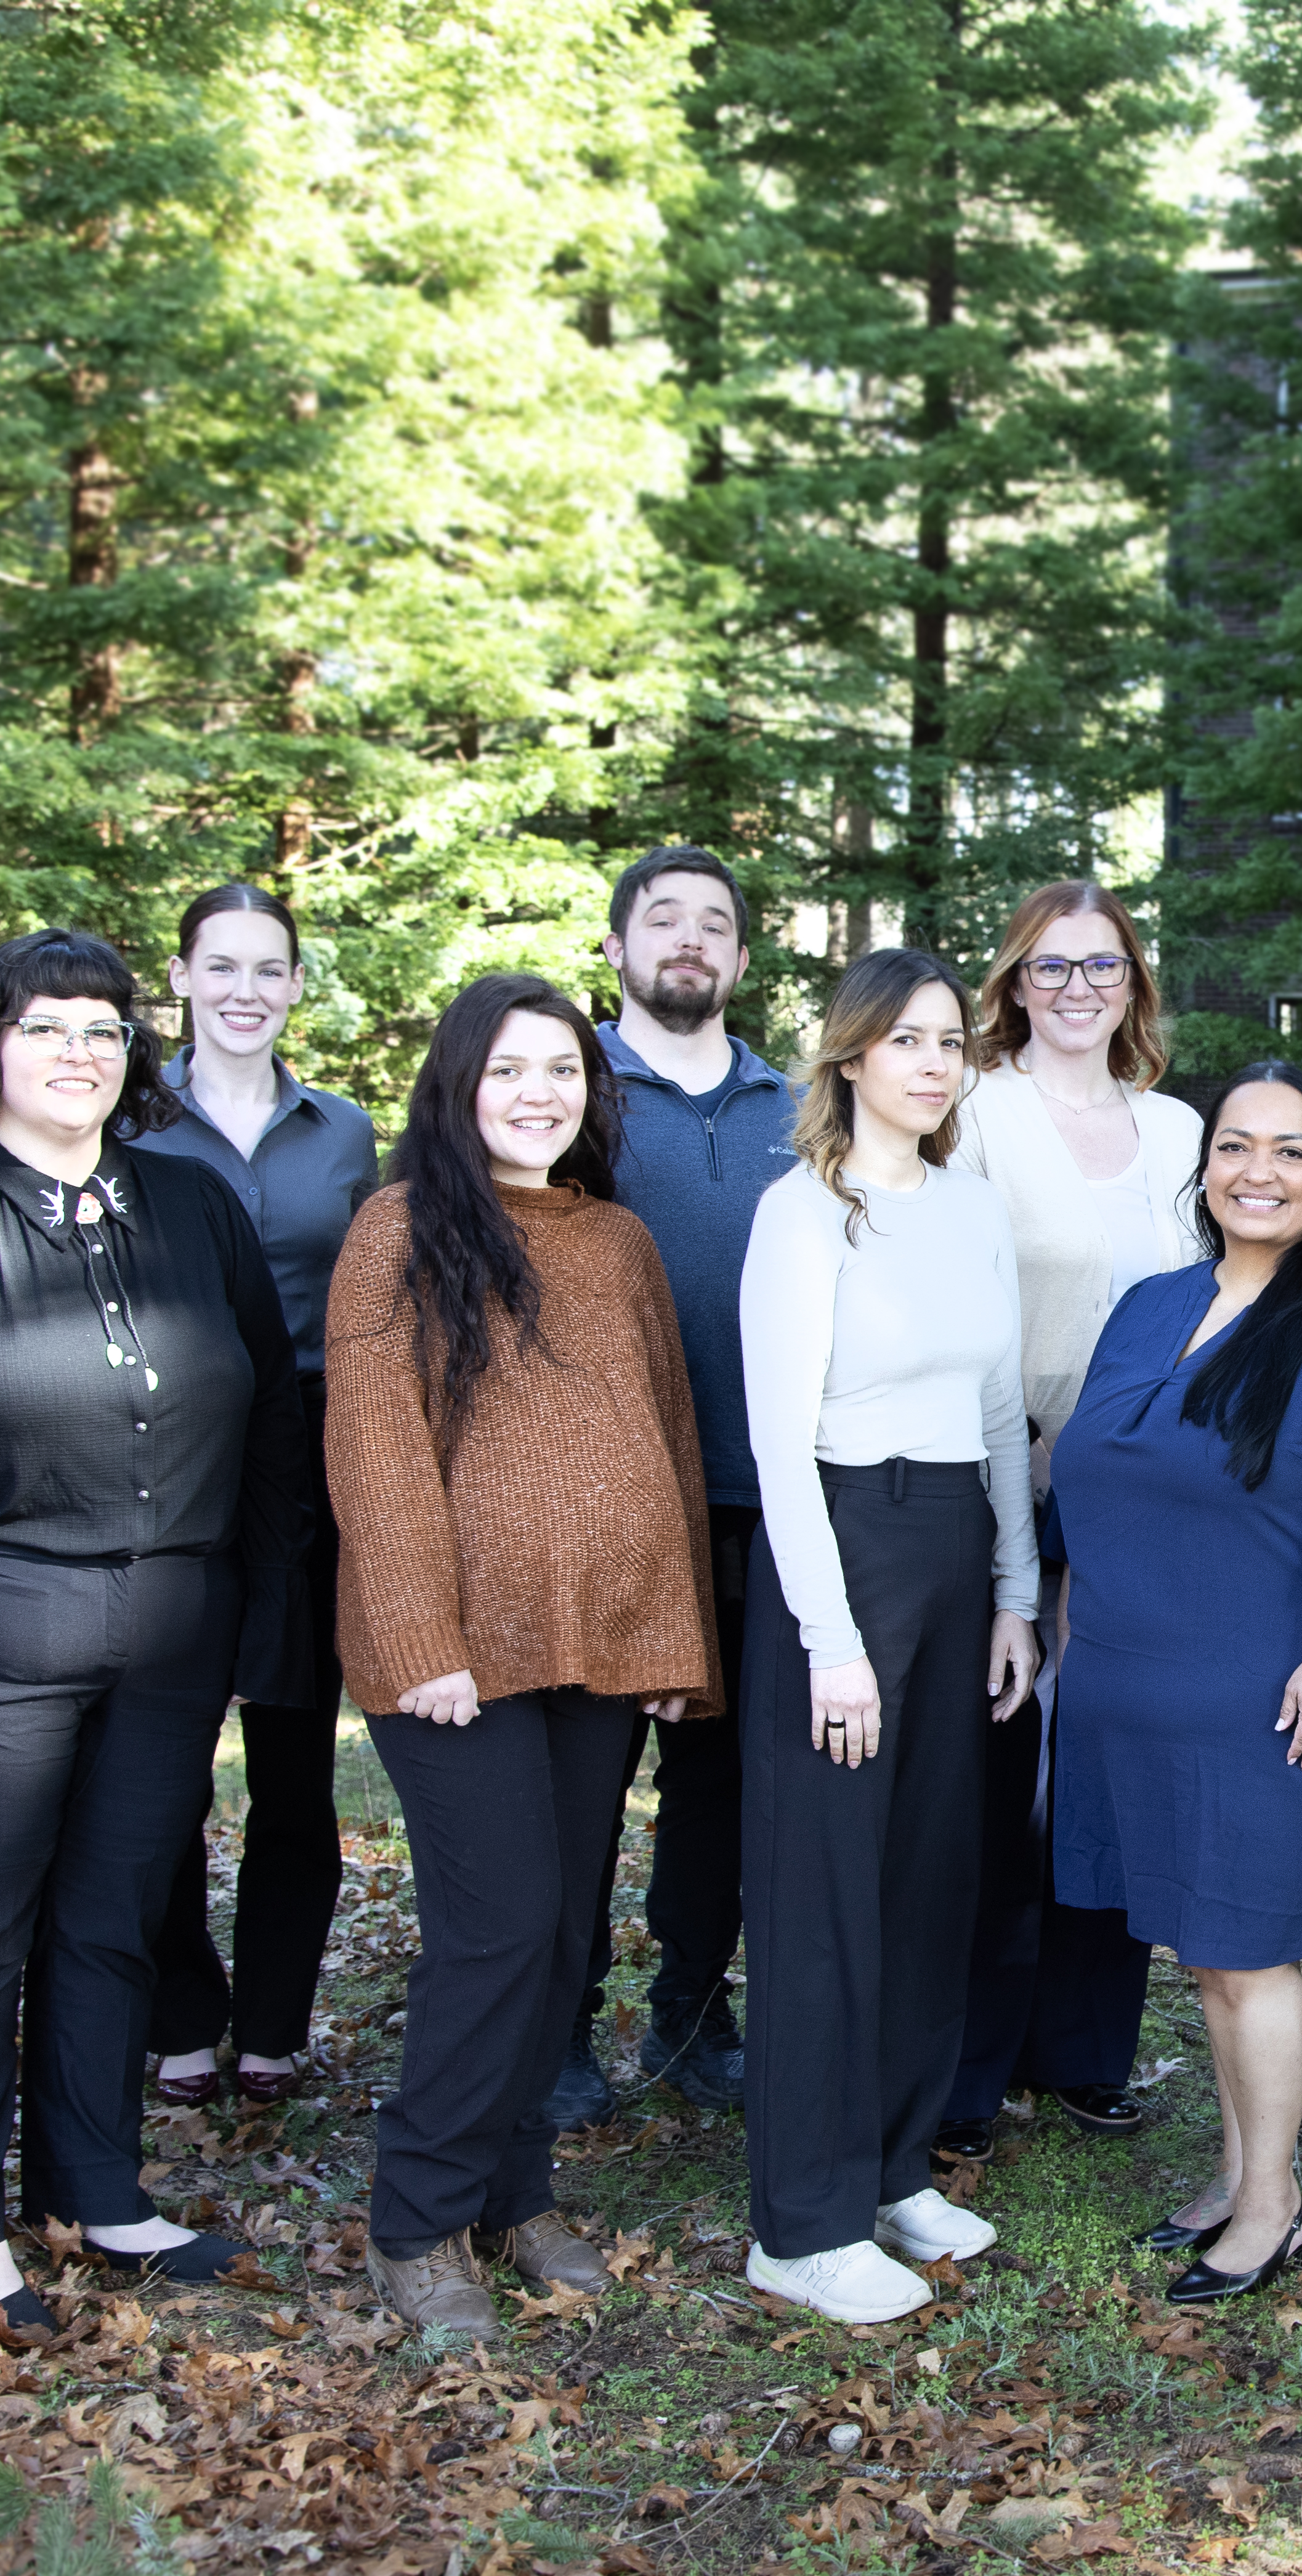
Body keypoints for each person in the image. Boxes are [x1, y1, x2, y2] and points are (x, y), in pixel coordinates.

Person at [0, 927, 314, 2330]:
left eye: (102, 1028)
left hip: (173, 1631)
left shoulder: (193, 1208)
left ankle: (98, 2188)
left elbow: (270, 1407)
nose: (78, 1052)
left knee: (114, 1920)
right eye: (47, 1028)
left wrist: (265, 1603)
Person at [326, 976, 724, 2338]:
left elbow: (666, 1440)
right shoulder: (400, 1229)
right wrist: (423, 1636)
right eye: (509, 1070)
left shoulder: (617, 1242)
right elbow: (375, 1449)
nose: (539, 1092)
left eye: (563, 1069)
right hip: (455, 1660)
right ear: (458, 1085)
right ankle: (416, 2216)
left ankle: (513, 2188)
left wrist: (678, 1636)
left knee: (560, 1938)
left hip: (600, 1645)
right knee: (493, 1930)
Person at [1045, 1061, 1302, 2302]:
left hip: (1279, 1676)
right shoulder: (1149, 1304)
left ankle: (1278, 2207)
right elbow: (1090, 1474)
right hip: (1143, 1674)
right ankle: (1238, 2170)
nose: (1258, 1172)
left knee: (1251, 1943)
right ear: (1205, 1164)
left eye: (1290, 1150)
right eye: (1236, 1146)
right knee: (1204, 1941)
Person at [735, 947, 1044, 2326]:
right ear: (851, 1055)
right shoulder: (803, 1214)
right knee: (825, 1893)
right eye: (906, 1040)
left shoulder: (975, 1210)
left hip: (956, 1545)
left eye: (951, 1042)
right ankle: (800, 2220)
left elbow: (995, 1418)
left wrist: (1017, 1593)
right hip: (842, 1549)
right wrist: (832, 1640)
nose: (934, 1062)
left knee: (931, 1878)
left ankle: (893, 2163)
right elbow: (780, 1447)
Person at [937, 880, 1204, 2159]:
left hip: (1152, 1491)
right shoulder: (977, 1114)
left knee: (1108, 1764)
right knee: (1004, 1766)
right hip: (1018, 1467)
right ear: (1016, 983)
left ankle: (1087, 2049)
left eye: (1103, 965)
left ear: (1134, 984)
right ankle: (971, 2066)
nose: (1079, 987)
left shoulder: (1180, 1131)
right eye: (1052, 967)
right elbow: (963, 1295)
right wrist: (1024, 1449)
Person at [139, 881, 381, 2111]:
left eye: (267, 969)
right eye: (219, 967)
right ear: (179, 978)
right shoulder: (129, 1119)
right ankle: (182, 2006)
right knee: (164, 1765)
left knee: (293, 1766)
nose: (243, 990)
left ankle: (276, 2018)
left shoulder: (341, 1133)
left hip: (309, 1471)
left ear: (295, 985)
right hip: (166, 1466)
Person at [566, 845, 795, 2125]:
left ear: (745, 959)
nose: (692, 939)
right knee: (585, 1780)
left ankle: (694, 2013)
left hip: (754, 1504)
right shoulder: (573, 1093)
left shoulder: (795, 1106)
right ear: (617, 946)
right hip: (607, 1501)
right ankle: (556, 2024)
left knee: (719, 1787)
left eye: (717, 922)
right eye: (665, 919)